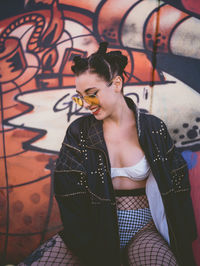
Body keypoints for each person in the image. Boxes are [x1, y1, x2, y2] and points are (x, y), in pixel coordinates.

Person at [19, 42, 197, 266]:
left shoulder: (153, 128)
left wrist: (182, 234)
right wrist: (86, 242)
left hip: (143, 228)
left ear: (117, 83)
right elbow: (68, 191)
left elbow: (178, 184)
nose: (85, 104)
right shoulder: (79, 132)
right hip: (94, 228)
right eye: (80, 96)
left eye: (91, 94)